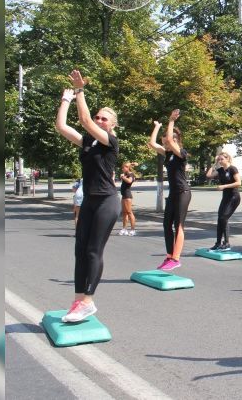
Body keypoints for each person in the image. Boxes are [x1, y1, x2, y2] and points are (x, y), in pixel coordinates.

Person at [54, 70, 121, 323]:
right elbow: (62, 126)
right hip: (89, 201)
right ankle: (77, 301)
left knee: (93, 251)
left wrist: (80, 90)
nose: (99, 120)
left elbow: (83, 121)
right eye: (98, 117)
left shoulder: (110, 141)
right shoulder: (87, 143)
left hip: (106, 201)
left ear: (111, 125)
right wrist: (65, 100)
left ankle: (89, 302)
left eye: (104, 118)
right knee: (79, 250)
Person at [147, 109, 190, 271]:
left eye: (169, 139)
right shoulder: (167, 153)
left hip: (183, 192)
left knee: (178, 225)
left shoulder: (181, 153)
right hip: (173, 194)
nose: (166, 142)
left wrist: (171, 121)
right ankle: (169, 256)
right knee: (166, 225)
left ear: (176, 139)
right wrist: (157, 127)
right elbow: (152, 144)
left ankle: (176, 258)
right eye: (164, 140)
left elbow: (172, 142)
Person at [205, 151, 241, 251]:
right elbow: (208, 176)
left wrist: (224, 186)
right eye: (219, 159)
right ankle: (218, 243)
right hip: (225, 197)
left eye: (222, 159)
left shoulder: (233, 169)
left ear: (227, 159)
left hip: (234, 197)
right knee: (220, 219)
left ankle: (227, 243)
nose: (220, 161)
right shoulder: (220, 170)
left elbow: (239, 183)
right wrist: (213, 165)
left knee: (224, 218)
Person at [118, 162, 137, 236]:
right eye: (122, 168)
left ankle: (133, 230)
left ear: (127, 168)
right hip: (124, 196)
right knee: (124, 213)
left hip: (128, 196)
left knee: (129, 212)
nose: (122, 169)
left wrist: (123, 177)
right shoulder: (126, 174)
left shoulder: (130, 174)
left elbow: (129, 181)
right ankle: (124, 229)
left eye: (123, 168)